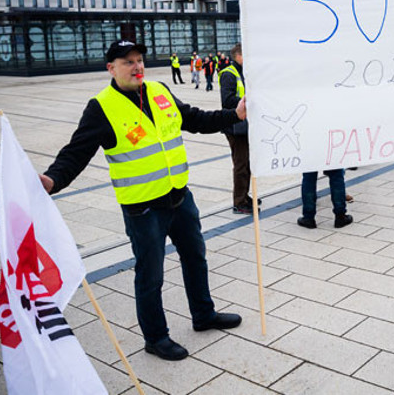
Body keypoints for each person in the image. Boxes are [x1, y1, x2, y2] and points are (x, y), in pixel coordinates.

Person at [39, 40, 245, 361]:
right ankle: (156, 337)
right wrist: (52, 179)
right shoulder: (101, 106)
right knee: (150, 274)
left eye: (139, 60)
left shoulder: (159, 91)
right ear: (111, 68)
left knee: (196, 259)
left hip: (180, 197)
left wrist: (234, 113)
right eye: (127, 62)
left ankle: (204, 315)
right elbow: (76, 152)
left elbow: (194, 119)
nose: (137, 66)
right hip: (144, 208)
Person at [220, 43, 254, 214]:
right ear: (238, 56)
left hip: (245, 125)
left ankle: (245, 195)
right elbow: (227, 101)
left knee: (247, 163)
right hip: (235, 127)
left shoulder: (244, 72)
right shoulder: (229, 74)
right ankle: (239, 201)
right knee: (241, 164)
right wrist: (248, 101)